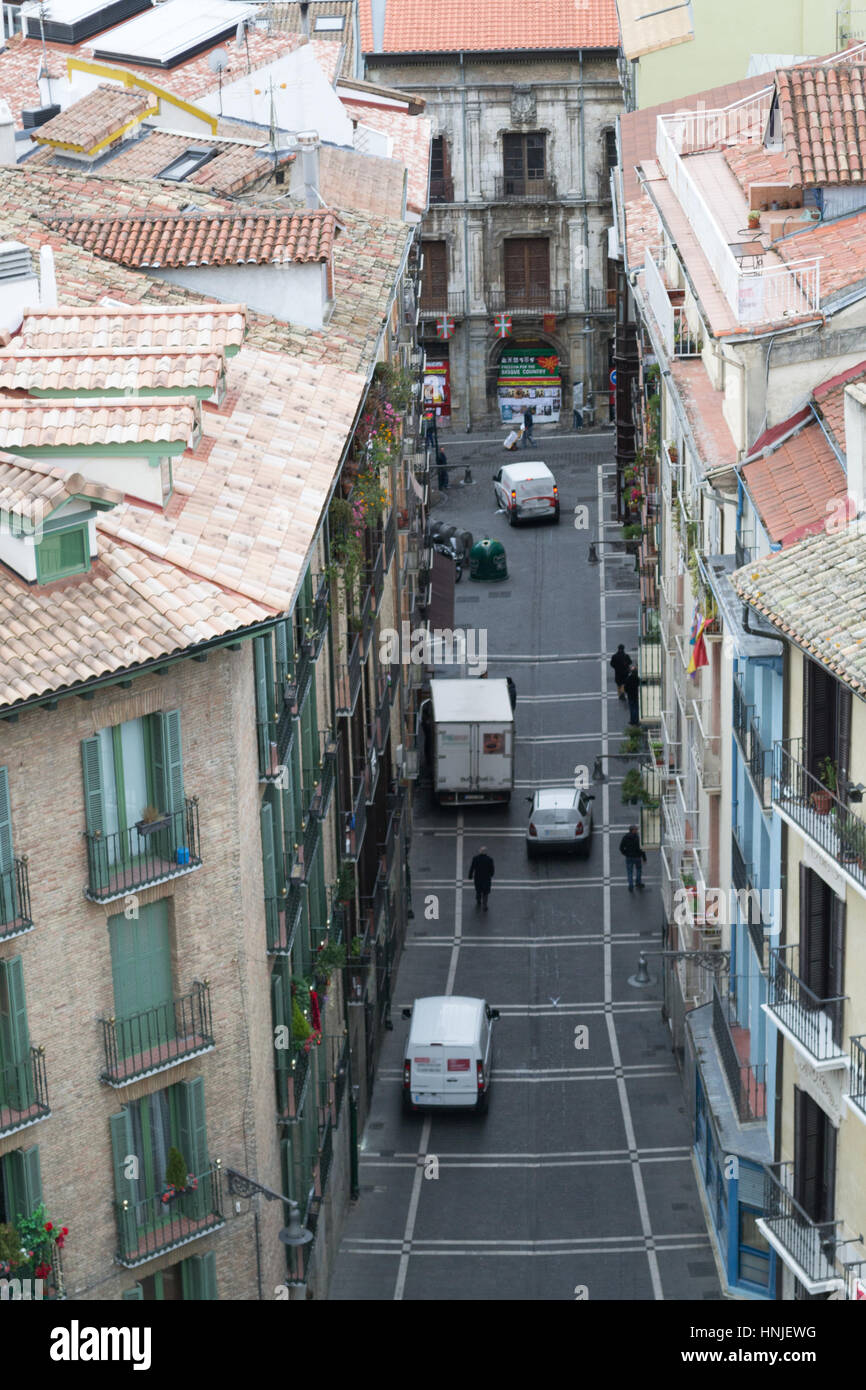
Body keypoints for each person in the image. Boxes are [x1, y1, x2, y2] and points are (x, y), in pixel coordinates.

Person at [619, 825, 647, 892]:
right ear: (633, 830)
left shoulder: (625, 837)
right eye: (636, 830)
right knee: (638, 870)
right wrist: (644, 858)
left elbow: (621, 847)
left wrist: (625, 853)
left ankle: (631, 885)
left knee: (630, 872)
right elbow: (641, 848)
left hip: (629, 857)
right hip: (637, 857)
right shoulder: (637, 838)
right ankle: (638, 883)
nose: (637, 831)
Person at [468, 846, 495, 911]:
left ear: (480, 852)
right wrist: (491, 875)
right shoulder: (489, 859)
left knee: (478, 890)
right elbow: (492, 869)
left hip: (478, 877)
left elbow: (472, 868)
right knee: (486, 892)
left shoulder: (475, 858)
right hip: (486, 878)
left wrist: (470, 876)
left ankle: (478, 900)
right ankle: (485, 905)